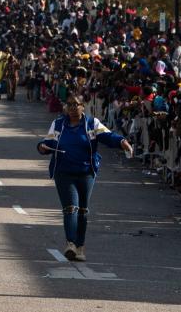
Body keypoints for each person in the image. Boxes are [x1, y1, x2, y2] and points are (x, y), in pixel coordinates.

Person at [37, 95, 132, 261]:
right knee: (70, 208)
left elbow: (108, 136)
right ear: (66, 107)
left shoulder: (92, 123)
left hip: (86, 173)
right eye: (70, 104)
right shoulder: (58, 124)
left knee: (83, 211)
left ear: (83, 106)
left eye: (76, 104)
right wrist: (42, 147)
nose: (73, 108)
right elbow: (48, 143)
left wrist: (122, 141)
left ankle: (80, 247)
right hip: (64, 173)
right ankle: (70, 244)